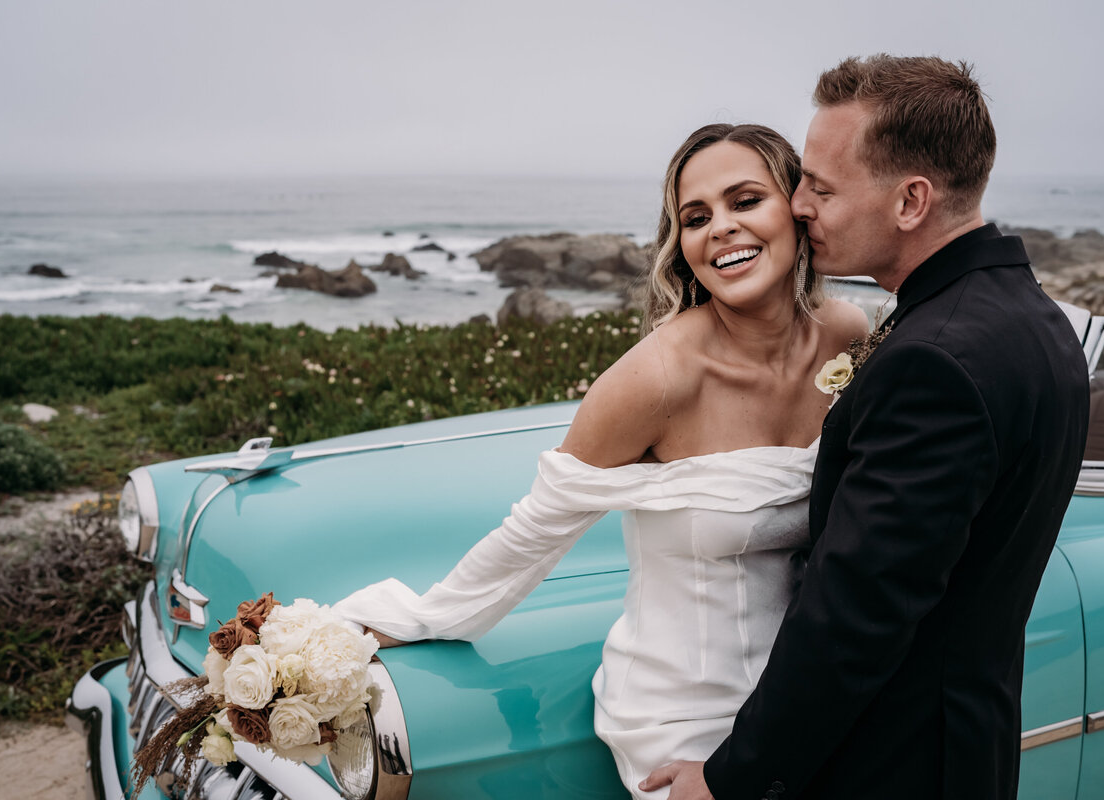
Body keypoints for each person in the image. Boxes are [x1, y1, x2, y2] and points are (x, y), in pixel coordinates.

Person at [333, 123, 868, 799]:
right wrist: (418, 622)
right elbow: (535, 532)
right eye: (696, 217)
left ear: (796, 209)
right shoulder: (656, 378)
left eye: (745, 201)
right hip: (684, 724)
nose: (721, 229)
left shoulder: (848, 337)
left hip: (807, 704)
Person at [643, 56, 1090, 800]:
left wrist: (732, 779)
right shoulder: (1035, 322)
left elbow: (857, 613)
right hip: (969, 749)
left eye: (820, 185)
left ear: (911, 200)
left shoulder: (933, 363)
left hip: (888, 769)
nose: (799, 205)